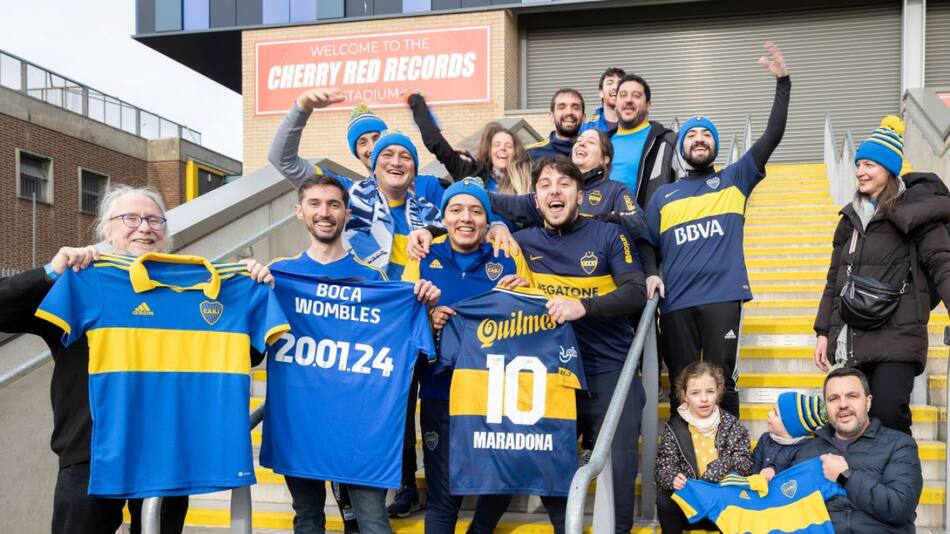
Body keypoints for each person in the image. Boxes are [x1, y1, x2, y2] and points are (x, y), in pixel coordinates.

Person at [0, 185, 272, 534]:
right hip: (93, 452)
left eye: (154, 220)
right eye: (130, 218)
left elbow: (245, 352)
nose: (144, 227)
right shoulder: (80, 283)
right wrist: (52, 270)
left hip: (168, 450)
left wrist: (250, 290)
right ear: (106, 230)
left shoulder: (198, 291)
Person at [264, 174, 439, 534]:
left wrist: (422, 303)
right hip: (301, 424)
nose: (324, 212)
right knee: (308, 518)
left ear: (346, 214)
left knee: (373, 520)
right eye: (314, 203)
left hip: (360, 429)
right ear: (299, 211)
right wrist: (251, 283)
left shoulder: (374, 280)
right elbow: (251, 347)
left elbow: (411, 348)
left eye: (333, 205)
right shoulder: (277, 277)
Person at [643, 41, 790, 417]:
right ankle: (684, 462)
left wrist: (783, 84)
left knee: (722, 380)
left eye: (706, 135)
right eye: (691, 135)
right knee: (681, 381)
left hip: (723, 298)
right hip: (675, 303)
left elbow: (771, 137)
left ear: (715, 146)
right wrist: (649, 275)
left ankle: (731, 464)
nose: (699, 140)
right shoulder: (663, 195)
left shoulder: (734, 179)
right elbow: (646, 244)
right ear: (682, 148)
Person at [513, 157, 647, 533]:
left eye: (564, 184)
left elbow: (636, 293)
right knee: (550, 462)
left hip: (609, 369)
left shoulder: (608, 235)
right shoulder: (520, 243)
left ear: (580, 194)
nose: (554, 190)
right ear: (536, 198)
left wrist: (582, 307)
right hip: (552, 372)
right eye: (545, 185)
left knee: (619, 465)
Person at [402, 178, 531, 533]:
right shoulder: (424, 256)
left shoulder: (507, 256)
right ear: (443, 217)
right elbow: (400, 321)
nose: (466, 218)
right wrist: (429, 321)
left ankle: (481, 529)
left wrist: (524, 298)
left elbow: (538, 323)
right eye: (456, 210)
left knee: (505, 476)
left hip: (496, 396)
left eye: (476, 211)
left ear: (488, 222)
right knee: (444, 498)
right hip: (440, 393)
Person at [813, 115, 950, 435]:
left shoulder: (917, 212)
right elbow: (836, 279)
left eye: (870, 165)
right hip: (854, 335)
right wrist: (823, 331)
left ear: (889, 170)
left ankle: (899, 484)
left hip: (897, 336)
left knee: (889, 417)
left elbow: (942, 264)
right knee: (851, 425)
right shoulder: (849, 219)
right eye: (858, 164)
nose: (860, 171)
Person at [789, 367, 923, 533]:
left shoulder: (899, 444)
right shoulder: (807, 450)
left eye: (852, 396)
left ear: (868, 402)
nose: (843, 405)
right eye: (833, 398)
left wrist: (846, 477)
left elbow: (899, 508)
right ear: (826, 407)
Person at [654, 361, 751, 533]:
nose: (704, 398)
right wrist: (672, 478)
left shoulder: (731, 425)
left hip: (722, 506)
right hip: (691, 506)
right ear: (684, 395)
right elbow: (663, 467)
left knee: (738, 492)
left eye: (710, 391)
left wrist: (718, 469)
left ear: (718, 392)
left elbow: (744, 463)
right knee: (664, 498)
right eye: (695, 393)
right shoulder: (675, 427)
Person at [607, 74, 681, 207]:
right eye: (623, 95)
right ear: (615, 104)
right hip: (605, 225)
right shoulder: (602, 142)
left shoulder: (668, 141)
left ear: (648, 106)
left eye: (636, 95)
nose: (628, 100)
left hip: (649, 224)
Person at [752, 392, 827, 481]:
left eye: (775, 413)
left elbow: (796, 477)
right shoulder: (765, 439)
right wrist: (755, 478)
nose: (769, 414)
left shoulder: (805, 450)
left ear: (790, 426)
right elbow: (754, 465)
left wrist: (775, 471)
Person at [526, 88, 585, 160]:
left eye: (575, 108)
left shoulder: (594, 153)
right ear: (552, 117)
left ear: (584, 118)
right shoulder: (530, 154)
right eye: (562, 107)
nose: (569, 112)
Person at [580, 67, 625, 134]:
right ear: (601, 93)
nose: (616, 87)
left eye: (620, 83)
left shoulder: (635, 123)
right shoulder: (587, 127)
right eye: (610, 83)